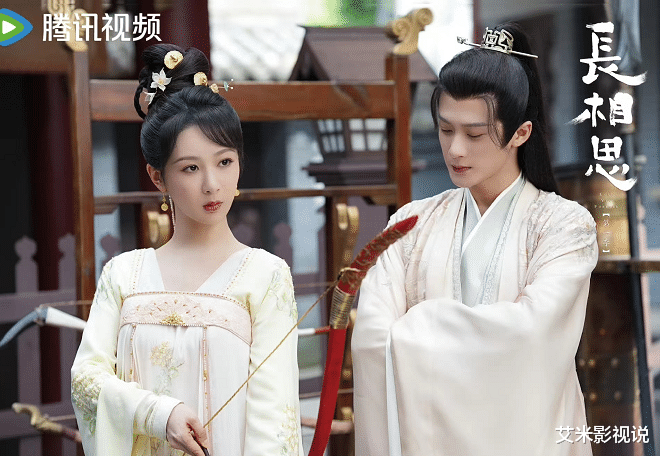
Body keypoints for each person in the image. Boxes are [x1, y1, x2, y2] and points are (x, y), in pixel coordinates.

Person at [352, 23, 597, 456]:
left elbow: (530, 335)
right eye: (446, 130)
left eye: (474, 134)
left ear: (521, 133)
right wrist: (474, 336)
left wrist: (418, 324)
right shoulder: (410, 224)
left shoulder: (564, 227)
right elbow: (373, 339)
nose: (455, 150)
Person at [71, 44, 303, 456]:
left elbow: (275, 424)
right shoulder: (123, 276)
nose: (212, 184)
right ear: (158, 178)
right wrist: (159, 414)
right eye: (191, 168)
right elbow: (86, 379)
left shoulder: (265, 276)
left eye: (224, 162)